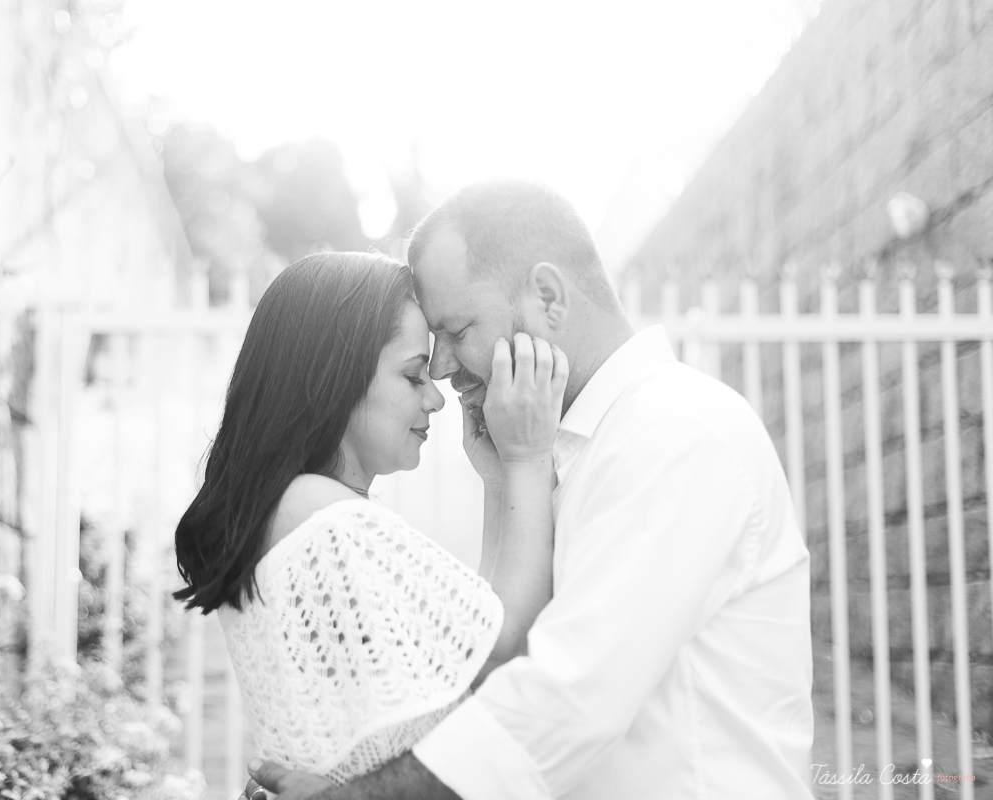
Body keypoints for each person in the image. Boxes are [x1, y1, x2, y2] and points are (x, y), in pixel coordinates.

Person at [249, 181, 815, 799]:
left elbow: (568, 698)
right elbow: (489, 669)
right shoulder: (561, 448)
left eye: (458, 329)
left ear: (547, 295)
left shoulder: (674, 432)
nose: (440, 369)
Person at [173, 252, 568, 792]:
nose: (435, 398)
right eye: (412, 375)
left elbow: (471, 646)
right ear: (332, 378)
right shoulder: (319, 514)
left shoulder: (298, 509)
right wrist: (527, 456)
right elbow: (503, 648)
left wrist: (498, 485)